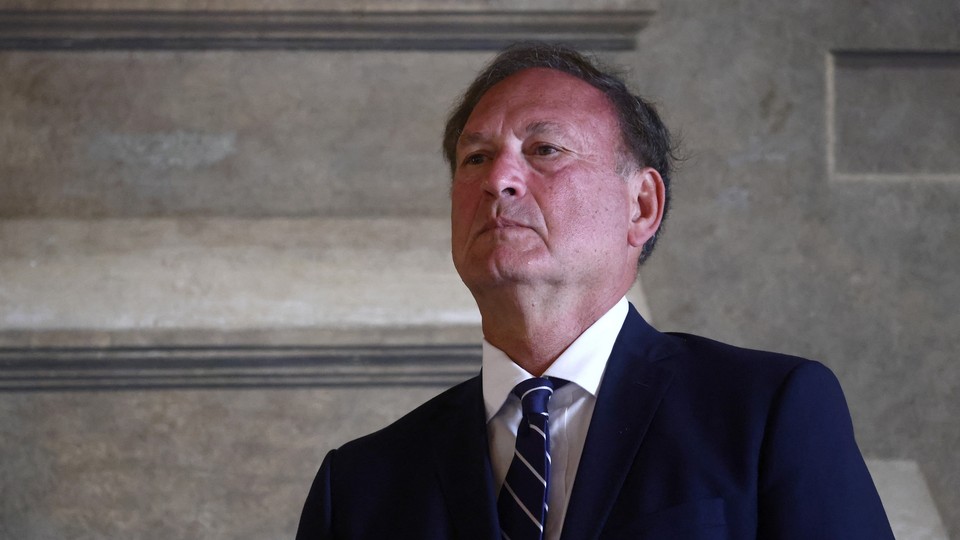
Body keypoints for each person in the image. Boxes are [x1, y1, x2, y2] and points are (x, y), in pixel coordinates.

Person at [296, 42, 893, 539]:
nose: (497, 179)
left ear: (641, 205)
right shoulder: (357, 486)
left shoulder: (767, 413)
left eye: (544, 150)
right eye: (475, 158)